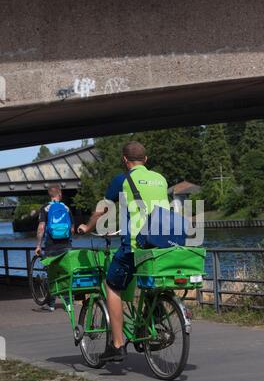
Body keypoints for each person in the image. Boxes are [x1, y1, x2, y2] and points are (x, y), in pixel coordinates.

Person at [78, 141, 169, 362]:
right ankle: (153, 318)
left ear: (124, 160)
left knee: (112, 286)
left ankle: (117, 344)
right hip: (163, 242)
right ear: (146, 160)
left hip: (135, 245)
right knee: (148, 276)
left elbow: (103, 209)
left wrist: (86, 227)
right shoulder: (160, 179)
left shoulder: (123, 180)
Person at [35, 184, 75, 311]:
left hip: (51, 246)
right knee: (66, 274)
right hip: (66, 246)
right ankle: (68, 304)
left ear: (50, 195)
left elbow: (41, 228)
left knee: (51, 274)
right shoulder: (66, 208)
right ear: (60, 194)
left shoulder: (45, 208)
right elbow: (72, 229)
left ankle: (51, 304)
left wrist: (38, 246)